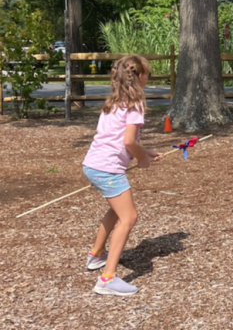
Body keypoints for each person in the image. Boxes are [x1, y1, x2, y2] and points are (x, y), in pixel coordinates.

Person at [82, 55, 162, 295]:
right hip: (107, 168)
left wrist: (146, 151)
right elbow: (128, 141)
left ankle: (96, 255)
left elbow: (117, 138)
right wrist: (141, 158)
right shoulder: (135, 104)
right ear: (139, 76)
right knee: (129, 217)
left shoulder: (114, 101)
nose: (149, 77)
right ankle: (107, 279)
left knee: (116, 210)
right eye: (148, 73)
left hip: (93, 164)